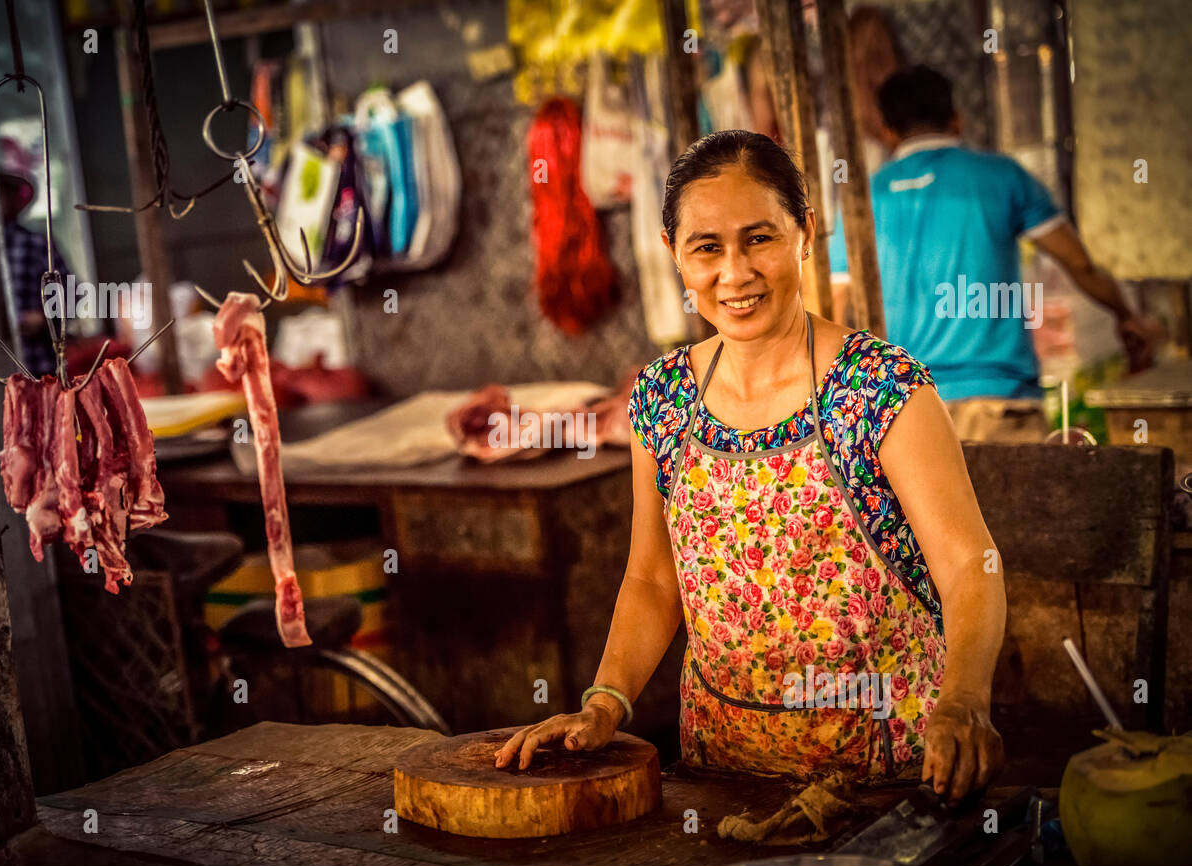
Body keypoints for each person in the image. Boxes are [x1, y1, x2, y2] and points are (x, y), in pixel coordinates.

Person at [497, 130, 1006, 804]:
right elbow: (653, 579)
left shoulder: (880, 388)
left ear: (805, 233)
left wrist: (965, 701)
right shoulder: (663, 398)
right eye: (706, 248)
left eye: (759, 238)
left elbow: (971, 566)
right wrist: (605, 703)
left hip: (887, 786)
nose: (734, 273)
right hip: (721, 782)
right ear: (673, 254)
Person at [829, 66, 1165, 442]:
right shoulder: (1002, 177)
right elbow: (1079, 264)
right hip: (1002, 402)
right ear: (957, 121)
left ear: (889, 132)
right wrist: (1125, 315)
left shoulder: (867, 195)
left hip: (904, 411)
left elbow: (834, 302)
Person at [0, 168, 68, 378]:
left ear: (10, 199)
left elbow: (71, 291)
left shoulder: (36, 243)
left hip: (37, 360)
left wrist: (45, 316)